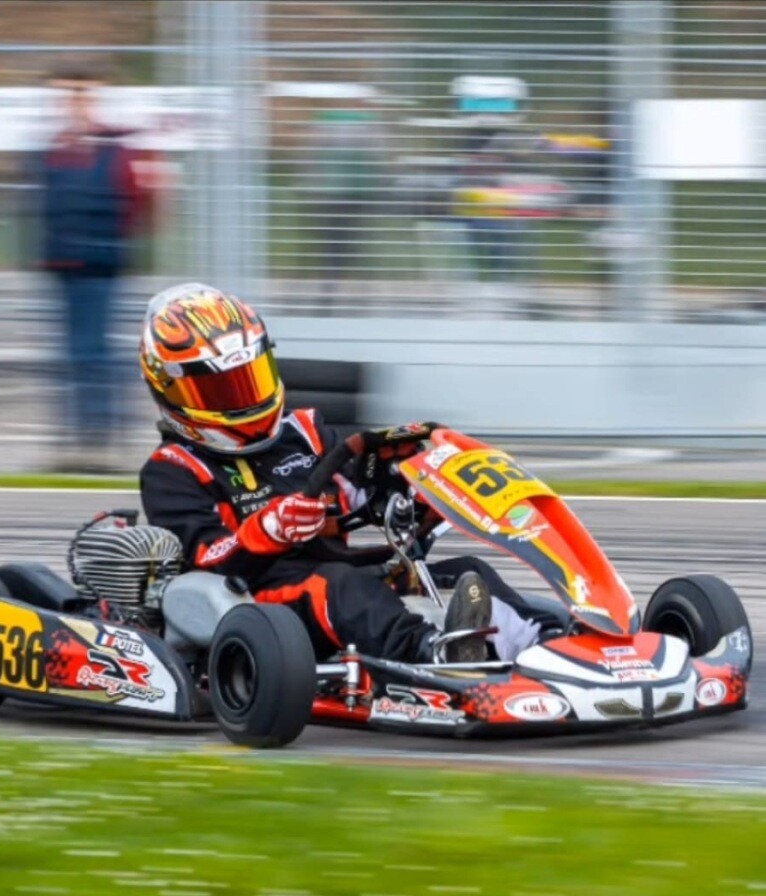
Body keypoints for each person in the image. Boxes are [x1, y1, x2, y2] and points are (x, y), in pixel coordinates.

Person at [138, 282, 544, 665]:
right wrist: (268, 529)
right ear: (169, 390)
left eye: (250, 378)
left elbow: (360, 489)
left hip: (343, 577)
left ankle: (548, 644)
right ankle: (434, 655)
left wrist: (411, 489)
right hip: (257, 601)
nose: (244, 400)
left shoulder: (305, 433)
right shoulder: (171, 470)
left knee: (467, 569)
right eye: (222, 390)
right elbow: (205, 557)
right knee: (339, 586)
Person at [35, 67, 148, 472]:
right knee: (73, 353)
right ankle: (78, 437)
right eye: (64, 95)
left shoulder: (112, 150)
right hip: (64, 264)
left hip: (98, 264)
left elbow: (137, 201)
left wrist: (111, 243)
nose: (71, 103)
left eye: (80, 94)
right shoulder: (54, 148)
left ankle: (100, 437)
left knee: (94, 352)